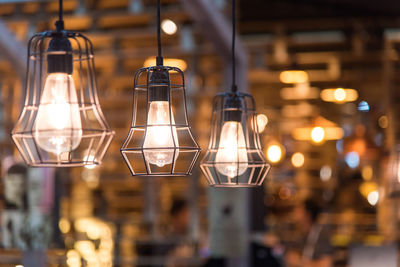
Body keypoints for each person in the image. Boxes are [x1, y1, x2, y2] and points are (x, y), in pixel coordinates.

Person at [285, 198, 333, 267]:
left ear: (307, 215)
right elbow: (290, 258)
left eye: (299, 210)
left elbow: (326, 264)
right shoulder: (300, 235)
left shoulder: (322, 235)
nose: (294, 213)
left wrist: (299, 262)